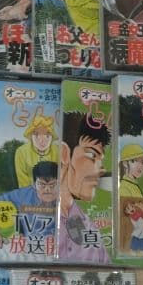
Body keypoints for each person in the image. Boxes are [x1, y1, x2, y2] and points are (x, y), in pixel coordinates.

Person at [58, 112, 110, 263]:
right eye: (92, 155)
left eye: (100, 160)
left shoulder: (89, 228)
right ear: (64, 154)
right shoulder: (30, 210)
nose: (101, 170)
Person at [0, 160, 59, 247]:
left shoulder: (66, 198)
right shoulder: (22, 195)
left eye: (52, 185)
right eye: (42, 185)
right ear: (34, 184)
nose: (47, 189)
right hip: (29, 247)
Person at [14, 114, 59, 188]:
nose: (41, 141)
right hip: (29, 192)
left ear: (52, 137)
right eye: (36, 135)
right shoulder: (21, 152)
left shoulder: (58, 151)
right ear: (30, 136)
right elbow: (23, 182)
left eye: (47, 136)